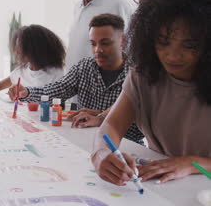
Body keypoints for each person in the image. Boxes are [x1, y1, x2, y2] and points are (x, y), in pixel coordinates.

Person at [91, 0, 211, 186]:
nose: (173, 56)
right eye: (163, 42)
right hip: (163, 189)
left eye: (190, 45)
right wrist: (101, 153)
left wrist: (193, 163)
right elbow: (111, 126)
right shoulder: (143, 75)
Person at [9, 14, 144, 144]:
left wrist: (102, 117)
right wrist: (26, 92)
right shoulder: (84, 67)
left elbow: (139, 128)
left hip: (126, 146)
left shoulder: (138, 74)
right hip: (85, 140)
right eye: (93, 44)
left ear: (123, 40)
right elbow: (57, 90)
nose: (98, 50)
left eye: (105, 43)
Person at [66, 0, 134, 70]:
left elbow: (129, 47)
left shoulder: (118, 4)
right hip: (74, 80)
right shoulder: (78, 7)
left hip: (101, 82)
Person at [0, 24, 65, 91]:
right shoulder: (21, 71)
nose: (16, 50)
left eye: (21, 46)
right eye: (16, 45)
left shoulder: (56, 73)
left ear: (35, 48)